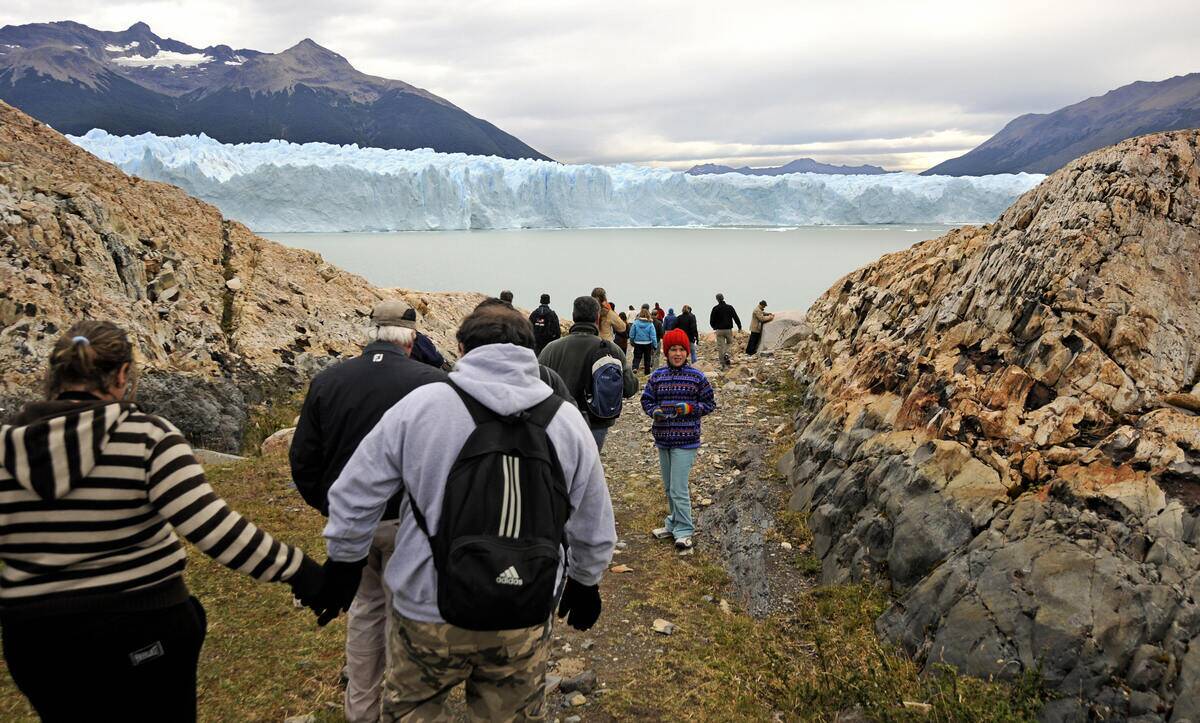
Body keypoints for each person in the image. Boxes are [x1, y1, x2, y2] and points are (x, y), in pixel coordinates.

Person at [0, 321, 323, 722]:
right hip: (138, 624)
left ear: (57, 374)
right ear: (122, 375)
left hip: (34, 637)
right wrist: (301, 571)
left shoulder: (5, 446)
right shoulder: (144, 436)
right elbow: (212, 527)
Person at [320, 304, 616, 721]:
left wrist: (344, 560)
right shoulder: (566, 420)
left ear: (461, 346)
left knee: (413, 711)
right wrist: (586, 581)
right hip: (524, 609)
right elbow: (595, 520)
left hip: (427, 607)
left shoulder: (421, 406)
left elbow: (355, 493)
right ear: (530, 348)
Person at [290, 300, 448, 723]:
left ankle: (361, 709)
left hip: (355, 527)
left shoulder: (328, 380)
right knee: (409, 615)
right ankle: (407, 709)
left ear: (370, 333)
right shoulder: (431, 384)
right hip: (410, 525)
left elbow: (304, 462)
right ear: (411, 338)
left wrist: (335, 510)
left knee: (364, 610)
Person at [641, 328, 716, 555]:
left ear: (687, 351)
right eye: (673, 349)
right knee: (668, 487)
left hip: (686, 440)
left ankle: (684, 531)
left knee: (678, 488)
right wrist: (655, 412)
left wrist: (690, 408)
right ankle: (673, 524)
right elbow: (647, 401)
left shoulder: (697, 377)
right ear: (666, 352)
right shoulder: (657, 376)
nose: (677, 353)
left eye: (681, 349)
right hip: (663, 439)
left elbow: (710, 404)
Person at [539, 295, 639, 450]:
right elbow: (629, 388)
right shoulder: (611, 350)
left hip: (559, 420)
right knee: (589, 467)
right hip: (596, 422)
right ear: (597, 316)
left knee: (560, 468)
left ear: (573, 316)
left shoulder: (551, 349)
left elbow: (537, 385)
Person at [709, 293, 742, 368]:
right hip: (728, 330)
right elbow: (735, 317)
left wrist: (714, 327)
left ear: (717, 299)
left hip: (719, 330)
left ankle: (722, 364)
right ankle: (727, 354)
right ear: (723, 298)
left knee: (720, 346)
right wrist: (739, 326)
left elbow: (711, 320)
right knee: (729, 343)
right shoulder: (730, 307)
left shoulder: (715, 308)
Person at [628, 308, 658, 375]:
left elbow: (631, 334)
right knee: (647, 359)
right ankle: (647, 373)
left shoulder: (636, 323)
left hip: (638, 343)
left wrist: (632, 341)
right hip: (648, 343)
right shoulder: (650, 324)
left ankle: (635, 367)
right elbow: (653, 336)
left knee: (637, 357)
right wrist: (655, 345)